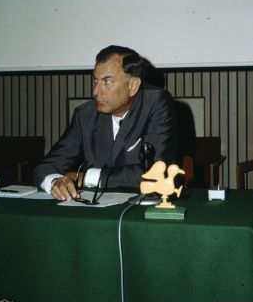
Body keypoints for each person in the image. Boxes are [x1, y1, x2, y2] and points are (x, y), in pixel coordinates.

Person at [33, 45, 177, 201]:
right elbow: (45, 167)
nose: (95, 92)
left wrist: (88, 177)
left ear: (133, 86)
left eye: (107, 82)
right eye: (95, 80)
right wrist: (55, 182)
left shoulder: (156, 104)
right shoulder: (85, 115)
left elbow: (155, 173)